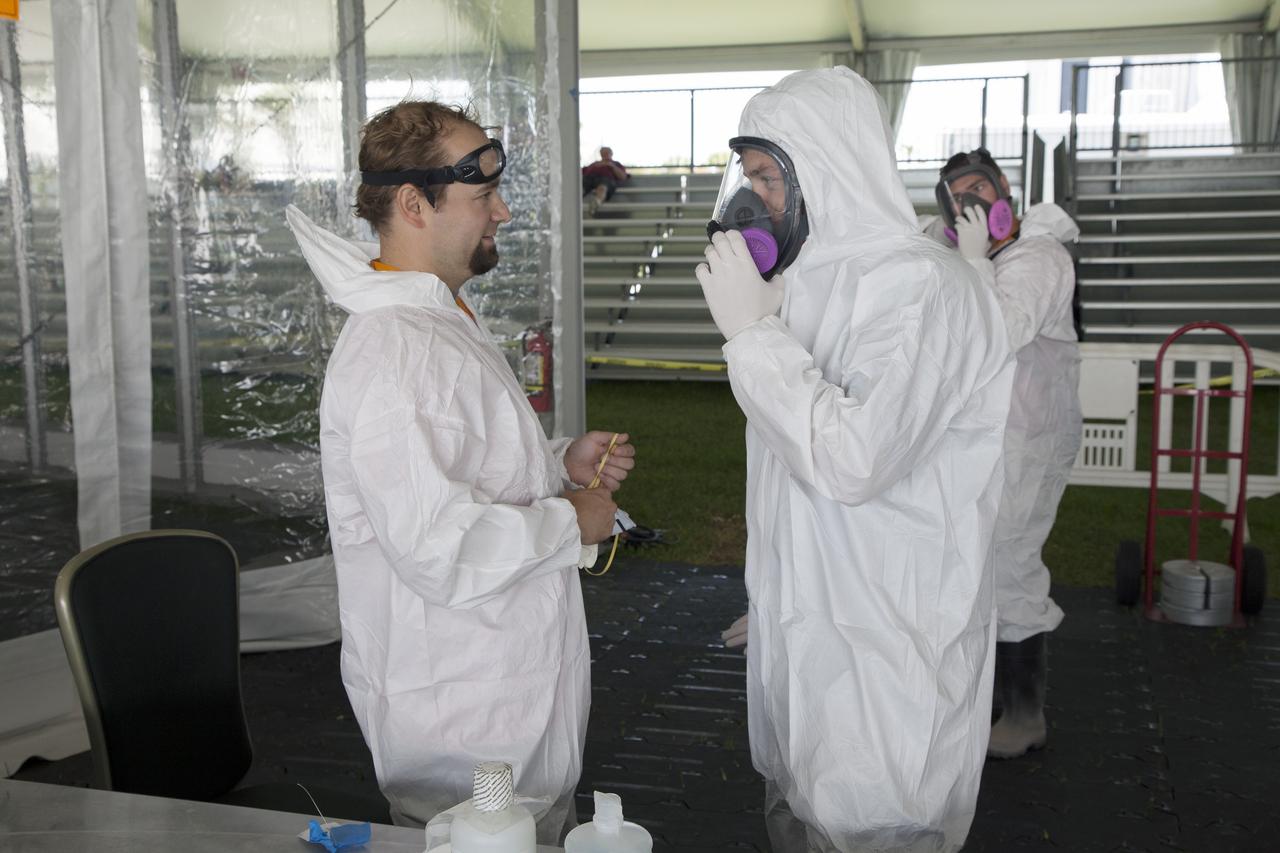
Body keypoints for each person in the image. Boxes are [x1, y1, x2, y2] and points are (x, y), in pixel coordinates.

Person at [285, 100, 635, 842]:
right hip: (466, 740)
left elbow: (452, 471)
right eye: (483, 196)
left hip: (498, 705)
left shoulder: (434, 318)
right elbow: (440, 548)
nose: (503, 212)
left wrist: (552, 461)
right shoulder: (396, 349)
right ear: (413, 203)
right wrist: (573, 516)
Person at [696, 67, 1014, 851]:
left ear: (828, 164)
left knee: (875, 823)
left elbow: (853, 460)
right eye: (750, 177)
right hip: (807, 639)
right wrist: (773, 590)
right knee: (800, 812)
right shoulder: (803, 283)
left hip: (890, 655)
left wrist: (755, 340)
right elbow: (790, 469)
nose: (753, 199)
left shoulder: (923, 289)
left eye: (770, 176)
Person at [931, 148, 1083, 759]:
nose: (973, 204)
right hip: (982, 440)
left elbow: (1003, 330)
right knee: (973, 568)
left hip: (1027, 442)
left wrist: (971, 265)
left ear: (1005, 195)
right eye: (958, 196)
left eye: (980, 190)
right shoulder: (976, 258)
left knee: (1012, 564)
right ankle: (989, 701)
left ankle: (1025, 715)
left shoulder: (1039, 257)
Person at [581, 146, 629, 216]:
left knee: (602, 187)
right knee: (582, 186)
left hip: (606, 180)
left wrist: (612, 166)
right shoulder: (595, 164)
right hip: (589, 179)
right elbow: (583, 172)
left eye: (607, 153)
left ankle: (596, 203)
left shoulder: (616, 164)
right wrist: (596, 166)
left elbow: (623, 177)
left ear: (611, 154)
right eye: (603, 153)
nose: (605, 155)